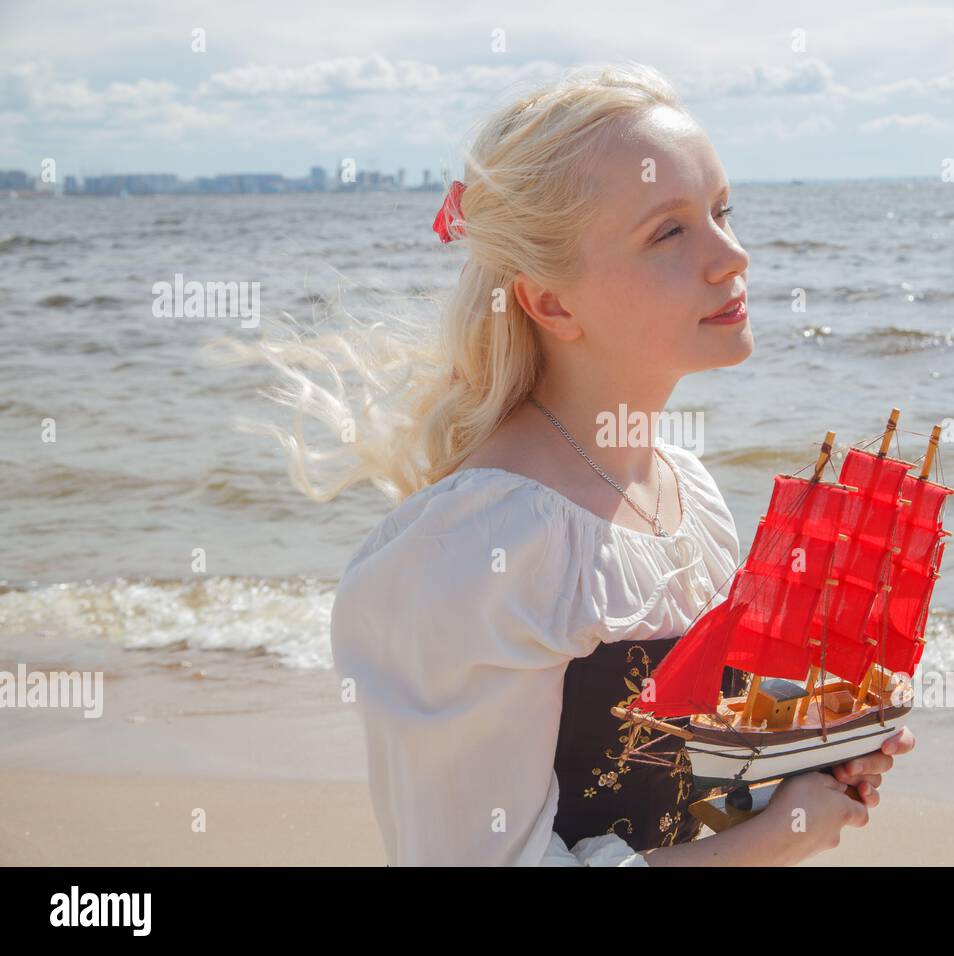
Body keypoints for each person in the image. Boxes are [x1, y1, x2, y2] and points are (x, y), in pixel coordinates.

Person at [234, 61, 914, 865]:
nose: (732, 256)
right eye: (669, 231)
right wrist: (778, 836)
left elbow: (684, 798)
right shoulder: (484, 549)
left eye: (722, 212)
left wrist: (806, 768)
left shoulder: (683, 493)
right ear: (551, 301)